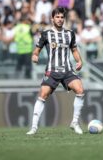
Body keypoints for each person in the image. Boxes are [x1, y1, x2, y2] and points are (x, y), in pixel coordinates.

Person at [27, 7, 85, 135]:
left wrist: (79, 61)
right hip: (52, 71)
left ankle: (74, 122)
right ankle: (34, 127)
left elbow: (74, 50)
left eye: (62, 17)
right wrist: (35, 56)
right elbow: (36, 51)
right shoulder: (46, 34)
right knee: (42, 95)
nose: (60, 19)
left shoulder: (70, 34)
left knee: (80, 90)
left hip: (67, 70)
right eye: (57, 17)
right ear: (52, 18)